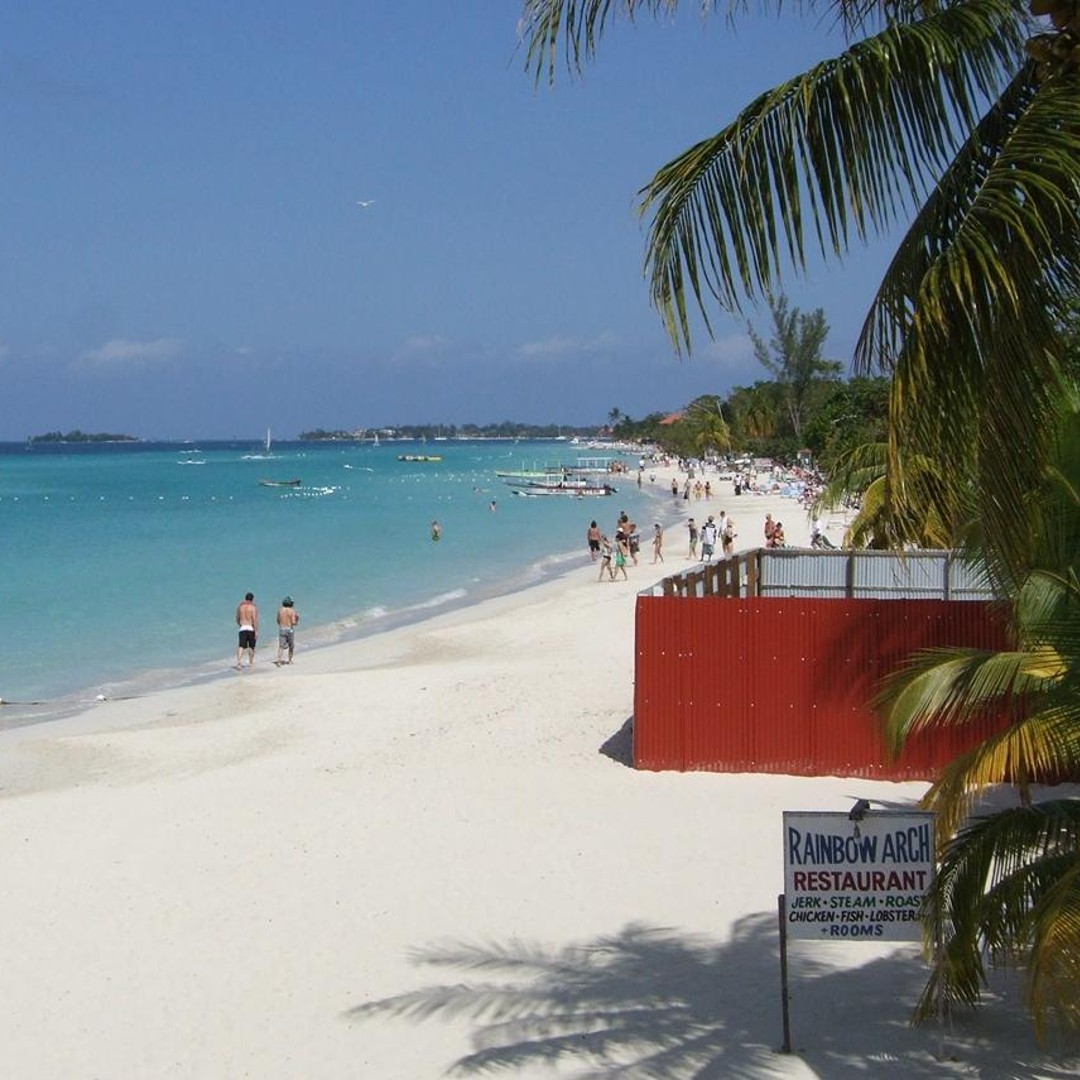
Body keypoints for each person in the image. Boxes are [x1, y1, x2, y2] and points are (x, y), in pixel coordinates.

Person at [235, 592, 258, 669]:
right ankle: (251, 663)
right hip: (250, 628)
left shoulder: (240, 607)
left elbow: (237, 618)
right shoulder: (253, 607)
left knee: (241, 646)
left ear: (245, 598)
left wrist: (240, 625)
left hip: (242, 627)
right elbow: (254, 620)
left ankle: (239, 662)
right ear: (252, 599)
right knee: (251, 646)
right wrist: (256, 631)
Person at [276, 596, 300, 665]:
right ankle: (290, 660)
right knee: (291, 646)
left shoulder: (280, 610)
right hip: (289, 629)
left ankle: (279, 661)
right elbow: (293, 623)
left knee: (281, 646)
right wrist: (297, 619)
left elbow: (278, 621)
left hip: (282, 629)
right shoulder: (292, 611)